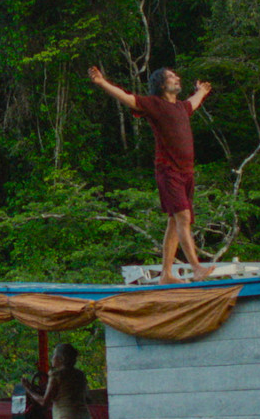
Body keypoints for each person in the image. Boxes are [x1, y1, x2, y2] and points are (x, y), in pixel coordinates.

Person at [88, 65, 213, 284]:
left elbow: (194, 102)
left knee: (175, 222)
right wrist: (102, 82)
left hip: (186, 172)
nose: (177, 78)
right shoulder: (154, 104)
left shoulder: (182, 107)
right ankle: (196, 267)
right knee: (183, 217)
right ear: (162, 84)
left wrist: (201, 91)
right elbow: (127, 98)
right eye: (172, 77)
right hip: (169, 171)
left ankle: (166, 274)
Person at [22, 343, 93, 419]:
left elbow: (44, 403)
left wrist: (28, 389)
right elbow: (87, 398)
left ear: (61, 358)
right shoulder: (80, 374)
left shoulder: (56, 375)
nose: (52, 358)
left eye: (54, 355)